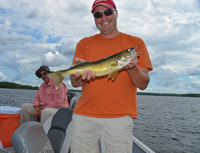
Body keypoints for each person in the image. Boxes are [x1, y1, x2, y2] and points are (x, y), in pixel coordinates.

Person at [70, 0, 153, 152]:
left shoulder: (135, 43)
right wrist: (79, 76)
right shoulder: (84, 43)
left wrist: (132, 67)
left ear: (116, 13)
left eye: (108, 12)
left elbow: (143, 83)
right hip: (83, 116)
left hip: (119, 118)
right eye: (98, 15)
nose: (103, 17)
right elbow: (74, 83)